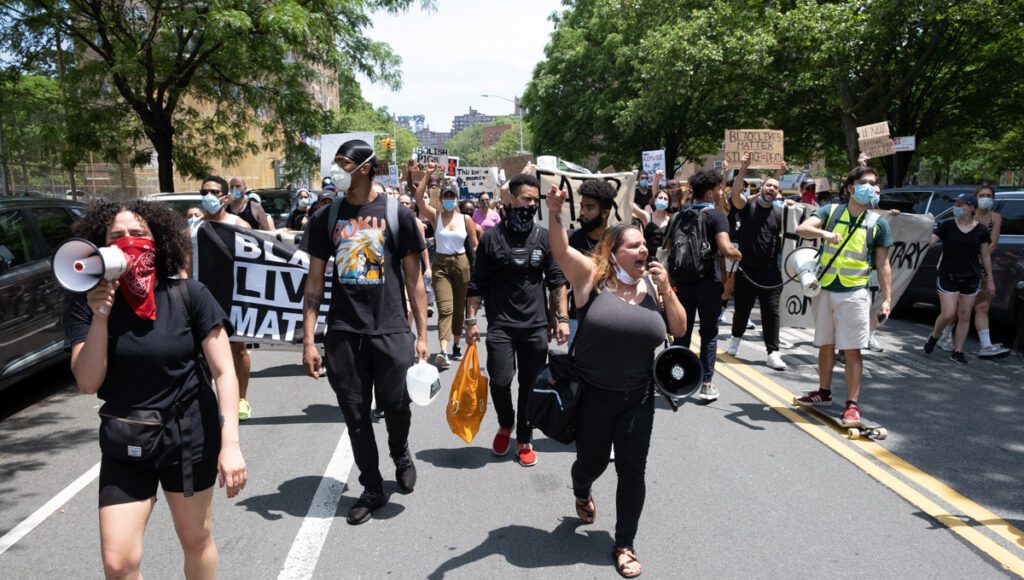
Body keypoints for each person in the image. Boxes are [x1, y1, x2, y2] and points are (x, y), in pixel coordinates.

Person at [66, 200, 246, 579]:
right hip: (126, 437)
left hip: (188, 436)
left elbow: (223, 371)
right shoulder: (87, 303)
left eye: (138, 234)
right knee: (118, 563)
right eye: (117, 236)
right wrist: (100, 315)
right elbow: (87, 381)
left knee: (196, 540)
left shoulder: (189, 295)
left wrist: (230, 444)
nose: (128, 241)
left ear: (158, 240)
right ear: (100, 246)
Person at [547, 187, 686, 579]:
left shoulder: (653, 287)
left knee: (632, 470)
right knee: (590, 463)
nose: (645, 251)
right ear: (612, 252)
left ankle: (624, 543)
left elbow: (678, 327)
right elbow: (559, 252)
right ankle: (580, 488)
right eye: (635, 246)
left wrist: (667, 287)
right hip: (592, 396)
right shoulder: (591, 279)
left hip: (637, 397)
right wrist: (554, 212)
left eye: (646, 244)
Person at [302, 139, 429, 525]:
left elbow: (414, 281)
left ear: (366, 168)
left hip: (391, 329)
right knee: (356, 415)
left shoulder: (397, 215)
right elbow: (314, 283)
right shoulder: (326, 218)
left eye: (344, 164)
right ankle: (372, 486)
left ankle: (400, 449)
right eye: (336, 162)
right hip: (344, 331)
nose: (337, 170)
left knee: (396, 407)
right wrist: (310, 340)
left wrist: (423, 335)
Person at [465, 172, 568, 467]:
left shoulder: (543, 237)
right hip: (500, 326)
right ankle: (505, 423)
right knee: (500, 380)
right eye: (526, 199)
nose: (530, 205)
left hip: (535, 326)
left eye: (535, 201)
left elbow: (557, 282)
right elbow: (477, 284)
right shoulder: (491, 239)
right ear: (510, 198)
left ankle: (524, 436)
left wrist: (560, 318)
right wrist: (471, 322)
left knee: (529, 384)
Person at [795, 166, 893, 422]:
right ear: (850, 187)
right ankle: (823, 391)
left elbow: (883, 265)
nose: (869, 187)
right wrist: (824, 233)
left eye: (873, 183)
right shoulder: (831, 211)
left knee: (852, 350)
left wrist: (887, 299)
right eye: (863, 182)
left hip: (855, 293)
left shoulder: (878, 223)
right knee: (825, 344)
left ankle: (852, 404)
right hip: (826, 288)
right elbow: (803, 229)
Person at [665, 169, 741, 402]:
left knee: (681, 333)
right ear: (710, 192)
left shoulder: (680, 215)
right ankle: (706, 383)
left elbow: (667, 246)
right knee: (708, 333)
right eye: (719, 189)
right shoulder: (716, 216)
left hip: (682, 282)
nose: (721, 193)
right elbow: (727, 249)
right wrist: (738, 253)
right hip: (708, 282)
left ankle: (677, 381)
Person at [191, 176, 255, 421]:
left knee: (237, 349)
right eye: (204, 191)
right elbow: (186, 265)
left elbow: (254, 264)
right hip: (202, 298)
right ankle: (207, 402)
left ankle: (240, 399)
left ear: (226, 196)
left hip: (233, 297)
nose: (209, 196)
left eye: (214, 191)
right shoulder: (194, 228)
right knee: (201, 352)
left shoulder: (240, 225)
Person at [724, 154, 789, 370]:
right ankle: (735, 340)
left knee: (771, 312)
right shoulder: (748, 207)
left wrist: (778, 172)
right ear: (760, 188)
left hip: (770, 272)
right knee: (742, 309)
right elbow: (735, 193)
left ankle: (773, 352)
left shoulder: (780, 213)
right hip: (746, 270)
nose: (771, 189)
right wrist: (743, 167)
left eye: (775, 187)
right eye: (768, 185)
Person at [414, 165, 478, 368]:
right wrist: (427, 174)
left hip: (462, 264)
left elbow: (474, 245)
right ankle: (443, 350)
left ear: (457, 198)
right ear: (441, 199)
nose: (449, 199)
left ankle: (456, 345)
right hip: (440, 264)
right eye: (446, 196)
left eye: (452, 196)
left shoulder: (465, 219)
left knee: (460, 309)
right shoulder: (435, 216)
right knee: (445, 308)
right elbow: (417, 198)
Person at [923, 193, 995, 365]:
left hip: (971, 277)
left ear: (971, 207)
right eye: (955, 204)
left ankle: (958, 351)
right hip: (948, 275)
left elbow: (985, 256)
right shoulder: (947, 226)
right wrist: (919, 232)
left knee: (965, 314)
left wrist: (990, 279)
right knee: (948, 313)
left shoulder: (981, 231)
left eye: (960, 204)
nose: (956, 207)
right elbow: (931, 241)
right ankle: (934, 336)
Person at [938, 184, 1008, 358]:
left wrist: (977, 262)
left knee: (982, 306)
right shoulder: (963, 216)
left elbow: (992, 244)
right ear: (974, 199)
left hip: (979, 267)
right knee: (957, 308)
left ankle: (986, 345)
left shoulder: (995, 218)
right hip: (957, 267)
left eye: (989, 195)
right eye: (982, 195)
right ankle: (944, 336)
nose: (986, 198)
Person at [567, 179, 617, 341]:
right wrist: (561, 317)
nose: (582, 213)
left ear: (605, 213)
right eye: (582, 206)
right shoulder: (572, 239)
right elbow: (559, 281)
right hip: (579, 318)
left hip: (615, 318)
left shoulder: (619, 240)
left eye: (589, 208)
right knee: (578, 365)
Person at [632, 188, 671, 259]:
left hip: (661, 260)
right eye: (660, 198)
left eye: (665, 199)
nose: (662, 200)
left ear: (668, 203)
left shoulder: (670, 221)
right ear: (655, 199)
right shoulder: (647, 217)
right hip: (645, 258)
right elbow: (632, 205)